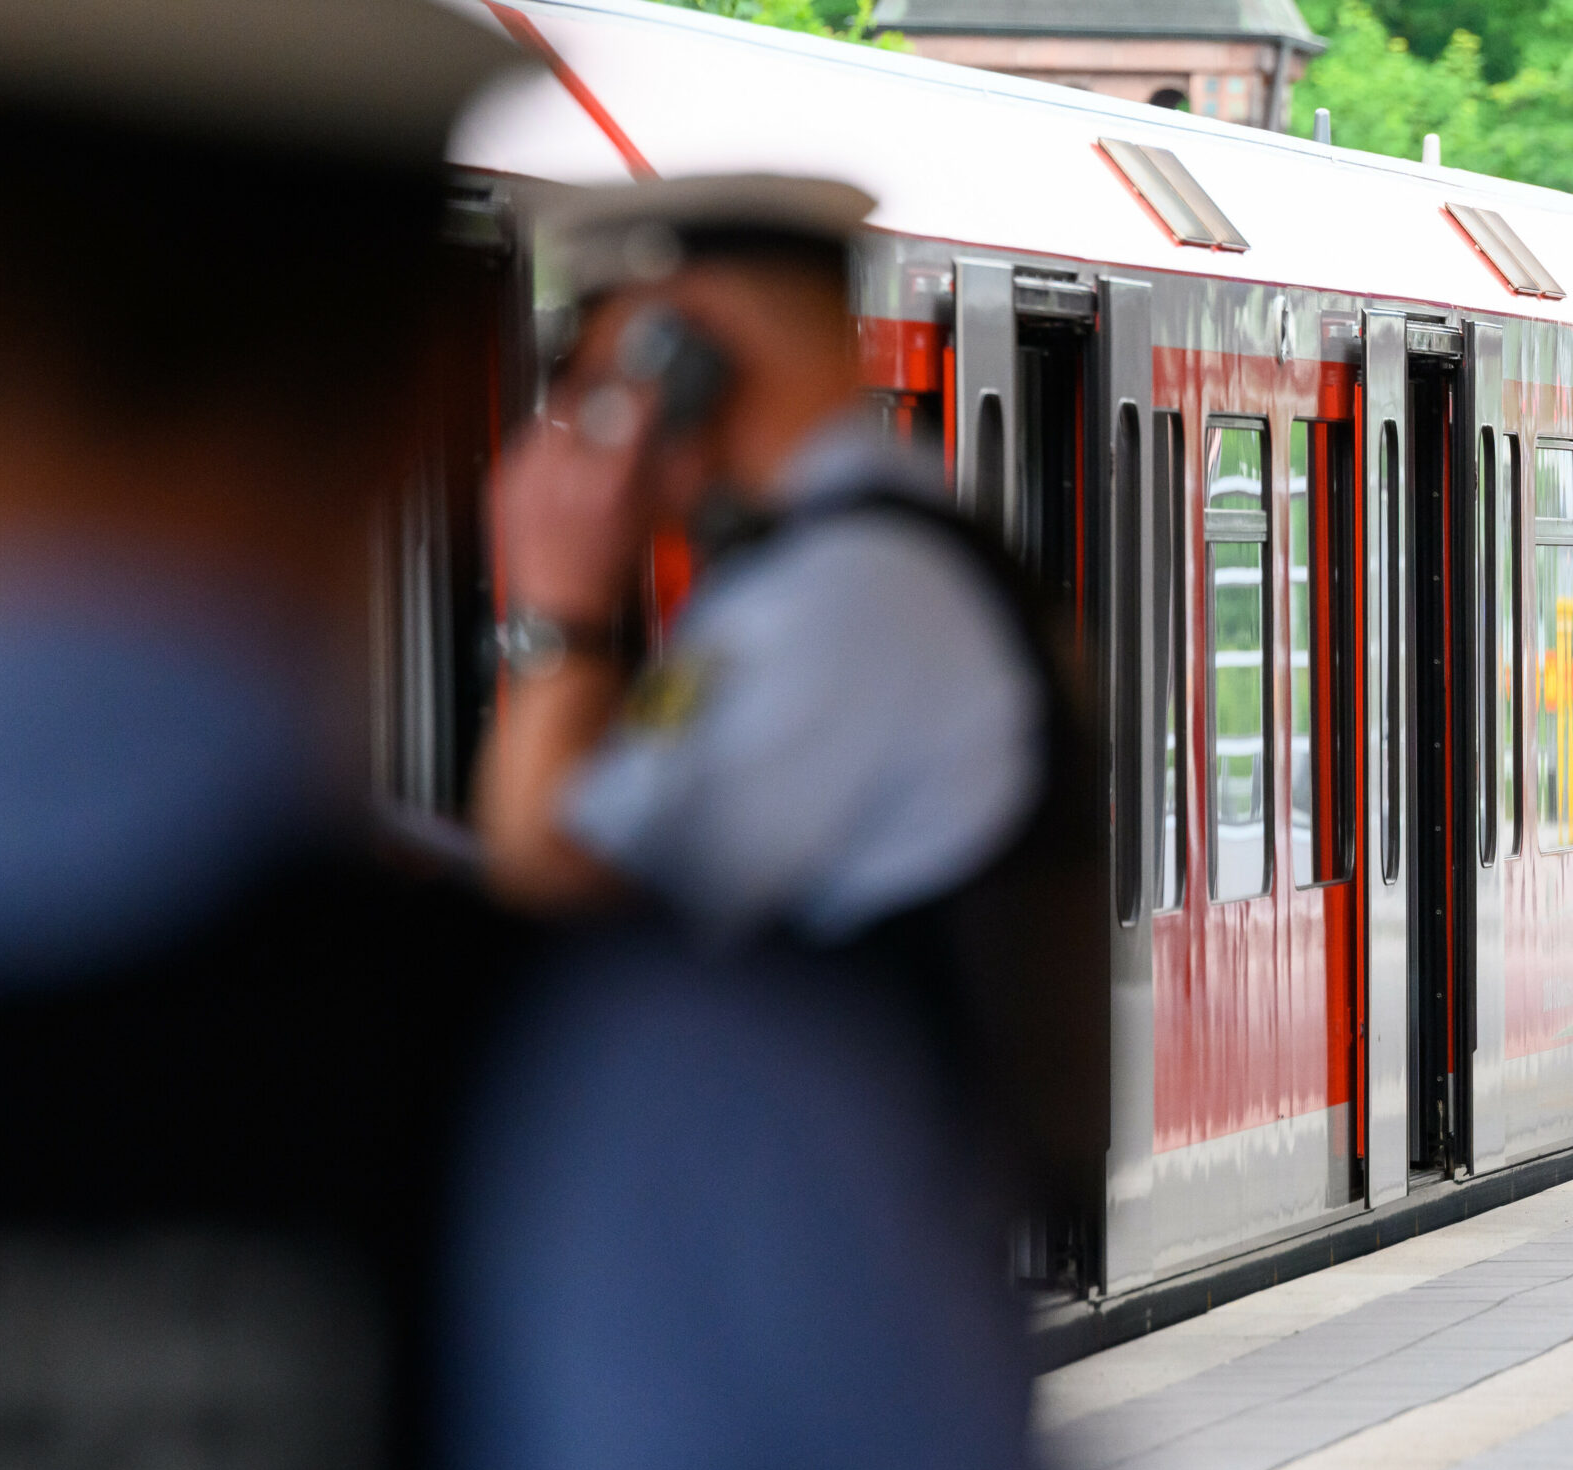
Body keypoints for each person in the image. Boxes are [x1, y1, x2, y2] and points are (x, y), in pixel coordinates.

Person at [0, 5, 1160, 1470]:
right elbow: (552, 878)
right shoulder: (664, 1108)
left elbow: (555, 850)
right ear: (417, 396)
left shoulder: (850, 596)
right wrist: (563, 605)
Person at [475, 178, 1108, 1261]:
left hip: (851, 1244)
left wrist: (559, 613)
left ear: (689, 347)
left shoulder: (844, 597)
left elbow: (556, 891)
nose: (592, 420)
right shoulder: (869, 559)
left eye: (603, 376)